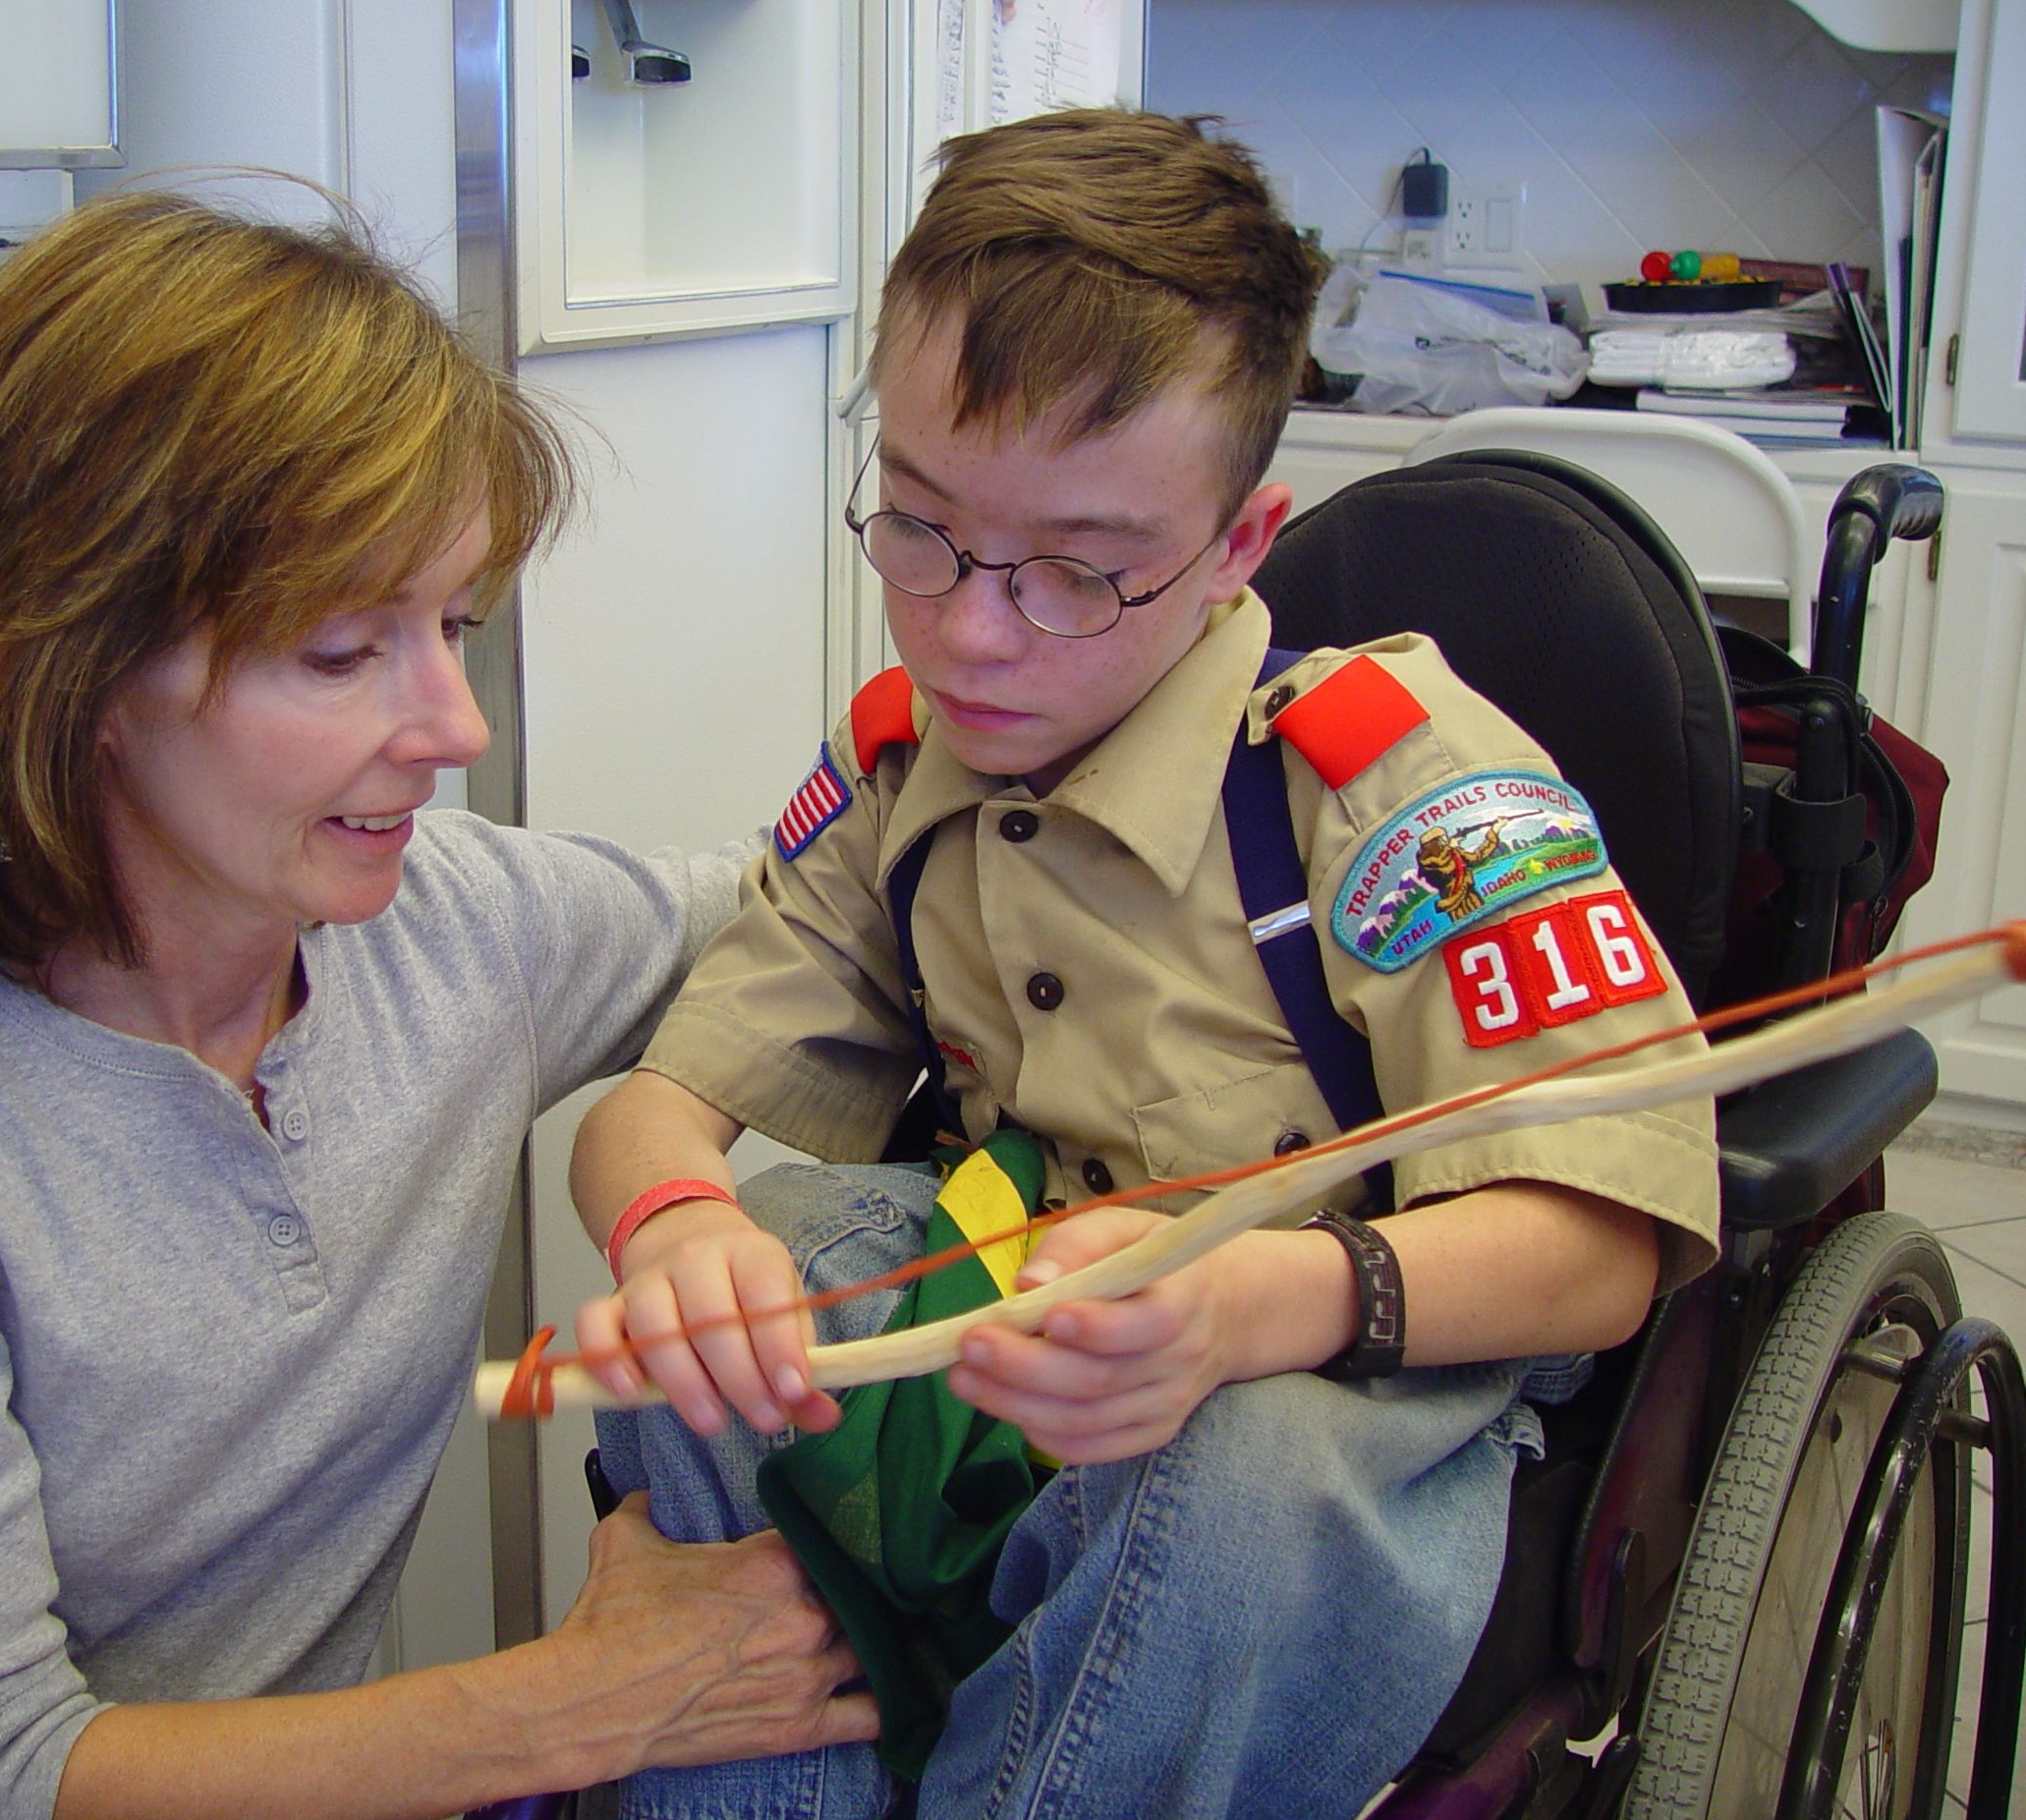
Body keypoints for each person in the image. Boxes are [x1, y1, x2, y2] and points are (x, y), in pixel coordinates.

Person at [0, 187, 876, 1820]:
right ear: (67, 665)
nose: (452, 727)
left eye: (456, 629)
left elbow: (801, 911)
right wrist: (586, 1703)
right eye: (345, 652)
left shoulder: (452, 928)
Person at [567, 109, 1721, 1819]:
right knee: (704, 1332)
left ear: (1241, 546)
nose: (967, 629)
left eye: (1083, 574)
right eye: (919, 526)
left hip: (1333, 1350)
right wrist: (671, 1219)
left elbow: (1604, 1247)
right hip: (1016, 1307)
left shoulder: (1394, 782)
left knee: (1231, 1480)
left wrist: (1252, 1300)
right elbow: (660, 1103)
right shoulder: (905, 771)